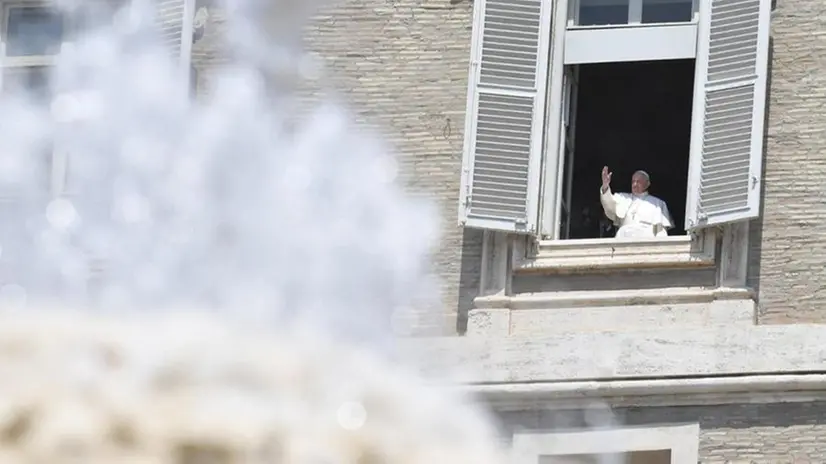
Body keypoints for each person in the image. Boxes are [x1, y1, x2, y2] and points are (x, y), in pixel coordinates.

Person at [599, 166, 673, 238]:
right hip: (624, 237)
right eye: (633, 181)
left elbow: (660, 231)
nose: (634, 184)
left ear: (647, 184)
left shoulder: (657, 203)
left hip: (646, 238)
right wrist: (605, 186)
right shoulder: (623, 198)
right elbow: (608, 204)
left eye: (638, 182)